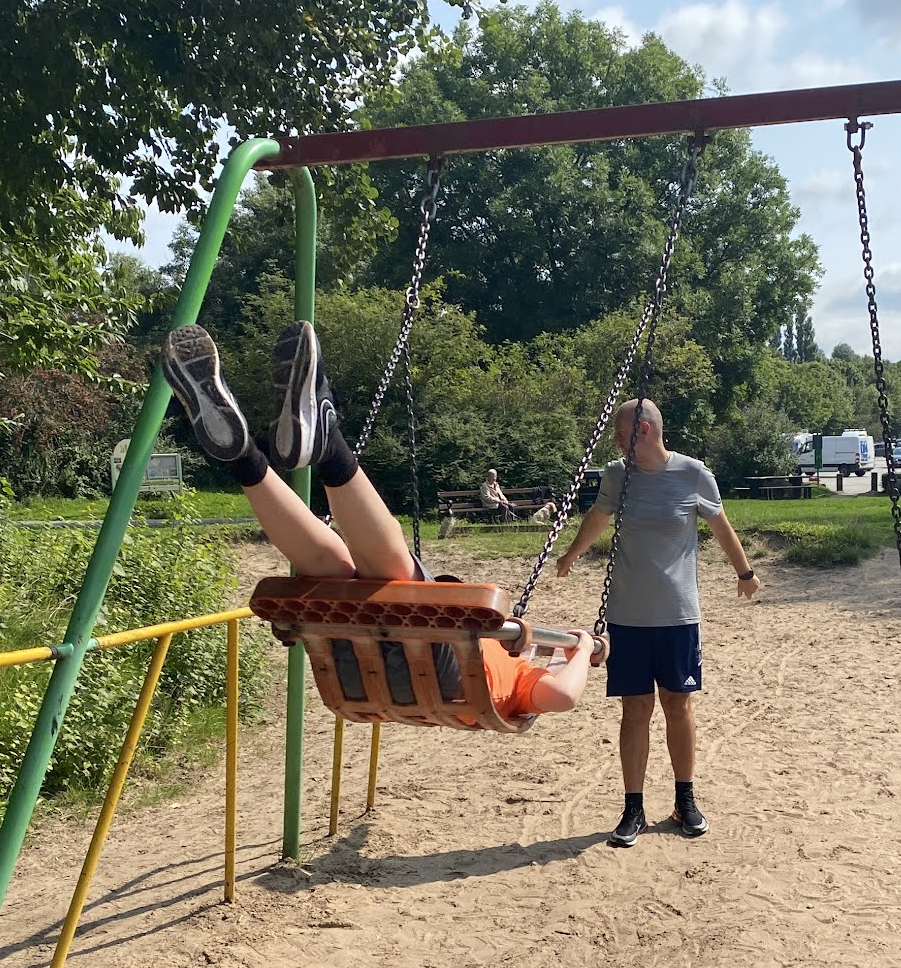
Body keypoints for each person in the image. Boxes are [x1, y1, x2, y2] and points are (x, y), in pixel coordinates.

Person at [162, 322, 597, 721]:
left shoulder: (516, 682)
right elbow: (553, 683)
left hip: (437, 660)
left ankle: (329, 445)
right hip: (357, 674)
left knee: (399, 582)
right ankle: (245, 462)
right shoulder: (515, 683)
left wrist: (581, 649)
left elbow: (561, 695)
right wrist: (566, 651)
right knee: (328, 573)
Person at [553, 397, 760, 846]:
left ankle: (685, 800)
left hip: (677, 615)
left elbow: (722, 526)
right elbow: (599, 518)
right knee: (635, 708)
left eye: (620, 433)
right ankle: (633, 809)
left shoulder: (692, 474)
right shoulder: (616, 474)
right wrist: (572, 553)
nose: (615, 440)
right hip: (627, 617)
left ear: (643, 431)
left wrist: (744, 572)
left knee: (677, 704)